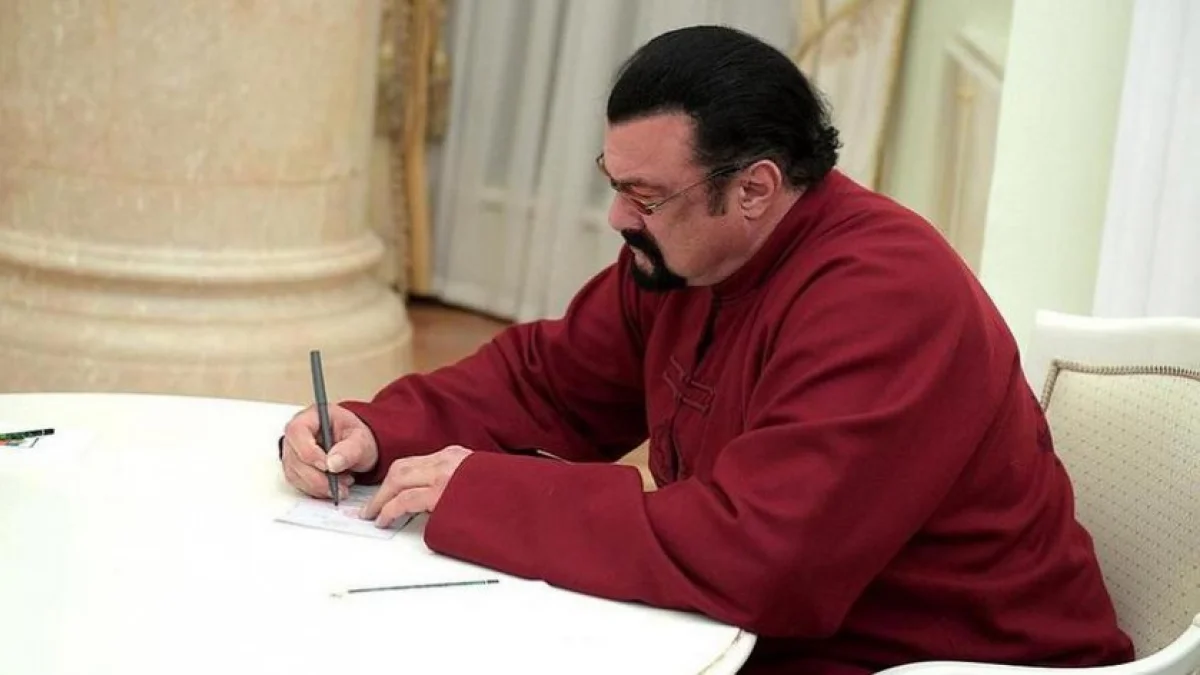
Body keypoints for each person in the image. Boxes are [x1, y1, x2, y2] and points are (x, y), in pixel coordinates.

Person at [279, 25, 1133, 674]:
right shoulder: (685, 256)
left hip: (951, 664)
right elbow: (551, 383)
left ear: (755, 188)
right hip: (772, 641)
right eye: (615, 184)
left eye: (646, 196)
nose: (618, 218)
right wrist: (377, 429)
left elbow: (763, 559)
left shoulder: (887, 298)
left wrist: (482, 489)